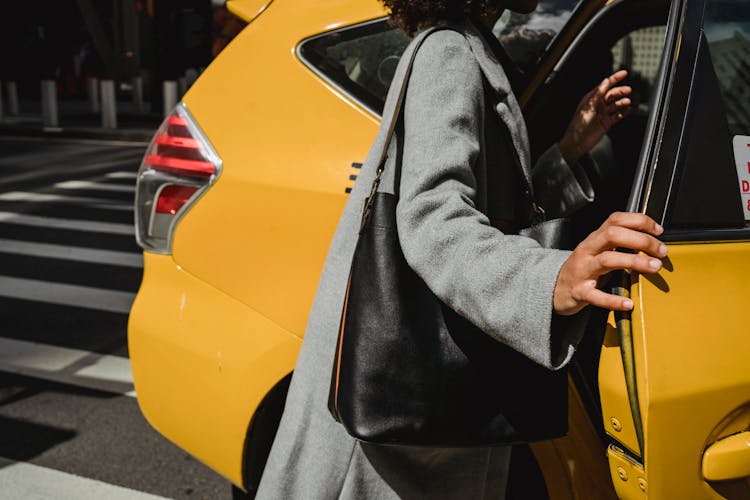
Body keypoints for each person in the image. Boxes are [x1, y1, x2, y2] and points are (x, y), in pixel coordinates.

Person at [255, 0, 667, 498]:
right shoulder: (449, 52)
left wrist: (569, 150)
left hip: (423, 421)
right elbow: (434, 218)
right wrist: (550, 280)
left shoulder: (465, 45)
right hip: (395, 441)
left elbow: (495, 216)